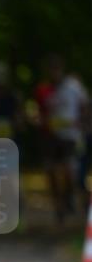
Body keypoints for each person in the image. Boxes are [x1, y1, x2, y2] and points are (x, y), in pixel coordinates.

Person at [35, 55, 89, 223]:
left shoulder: (73, 86)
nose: (54, 73)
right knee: (51, 171)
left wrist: (83, 124)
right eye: (51, 69)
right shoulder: (44, 90)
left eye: (57, 69)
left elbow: (85, 105)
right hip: (51, 137)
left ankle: (71, 198)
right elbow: (40, 112)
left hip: (71, 136)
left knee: (70, 170)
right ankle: (59, 207)